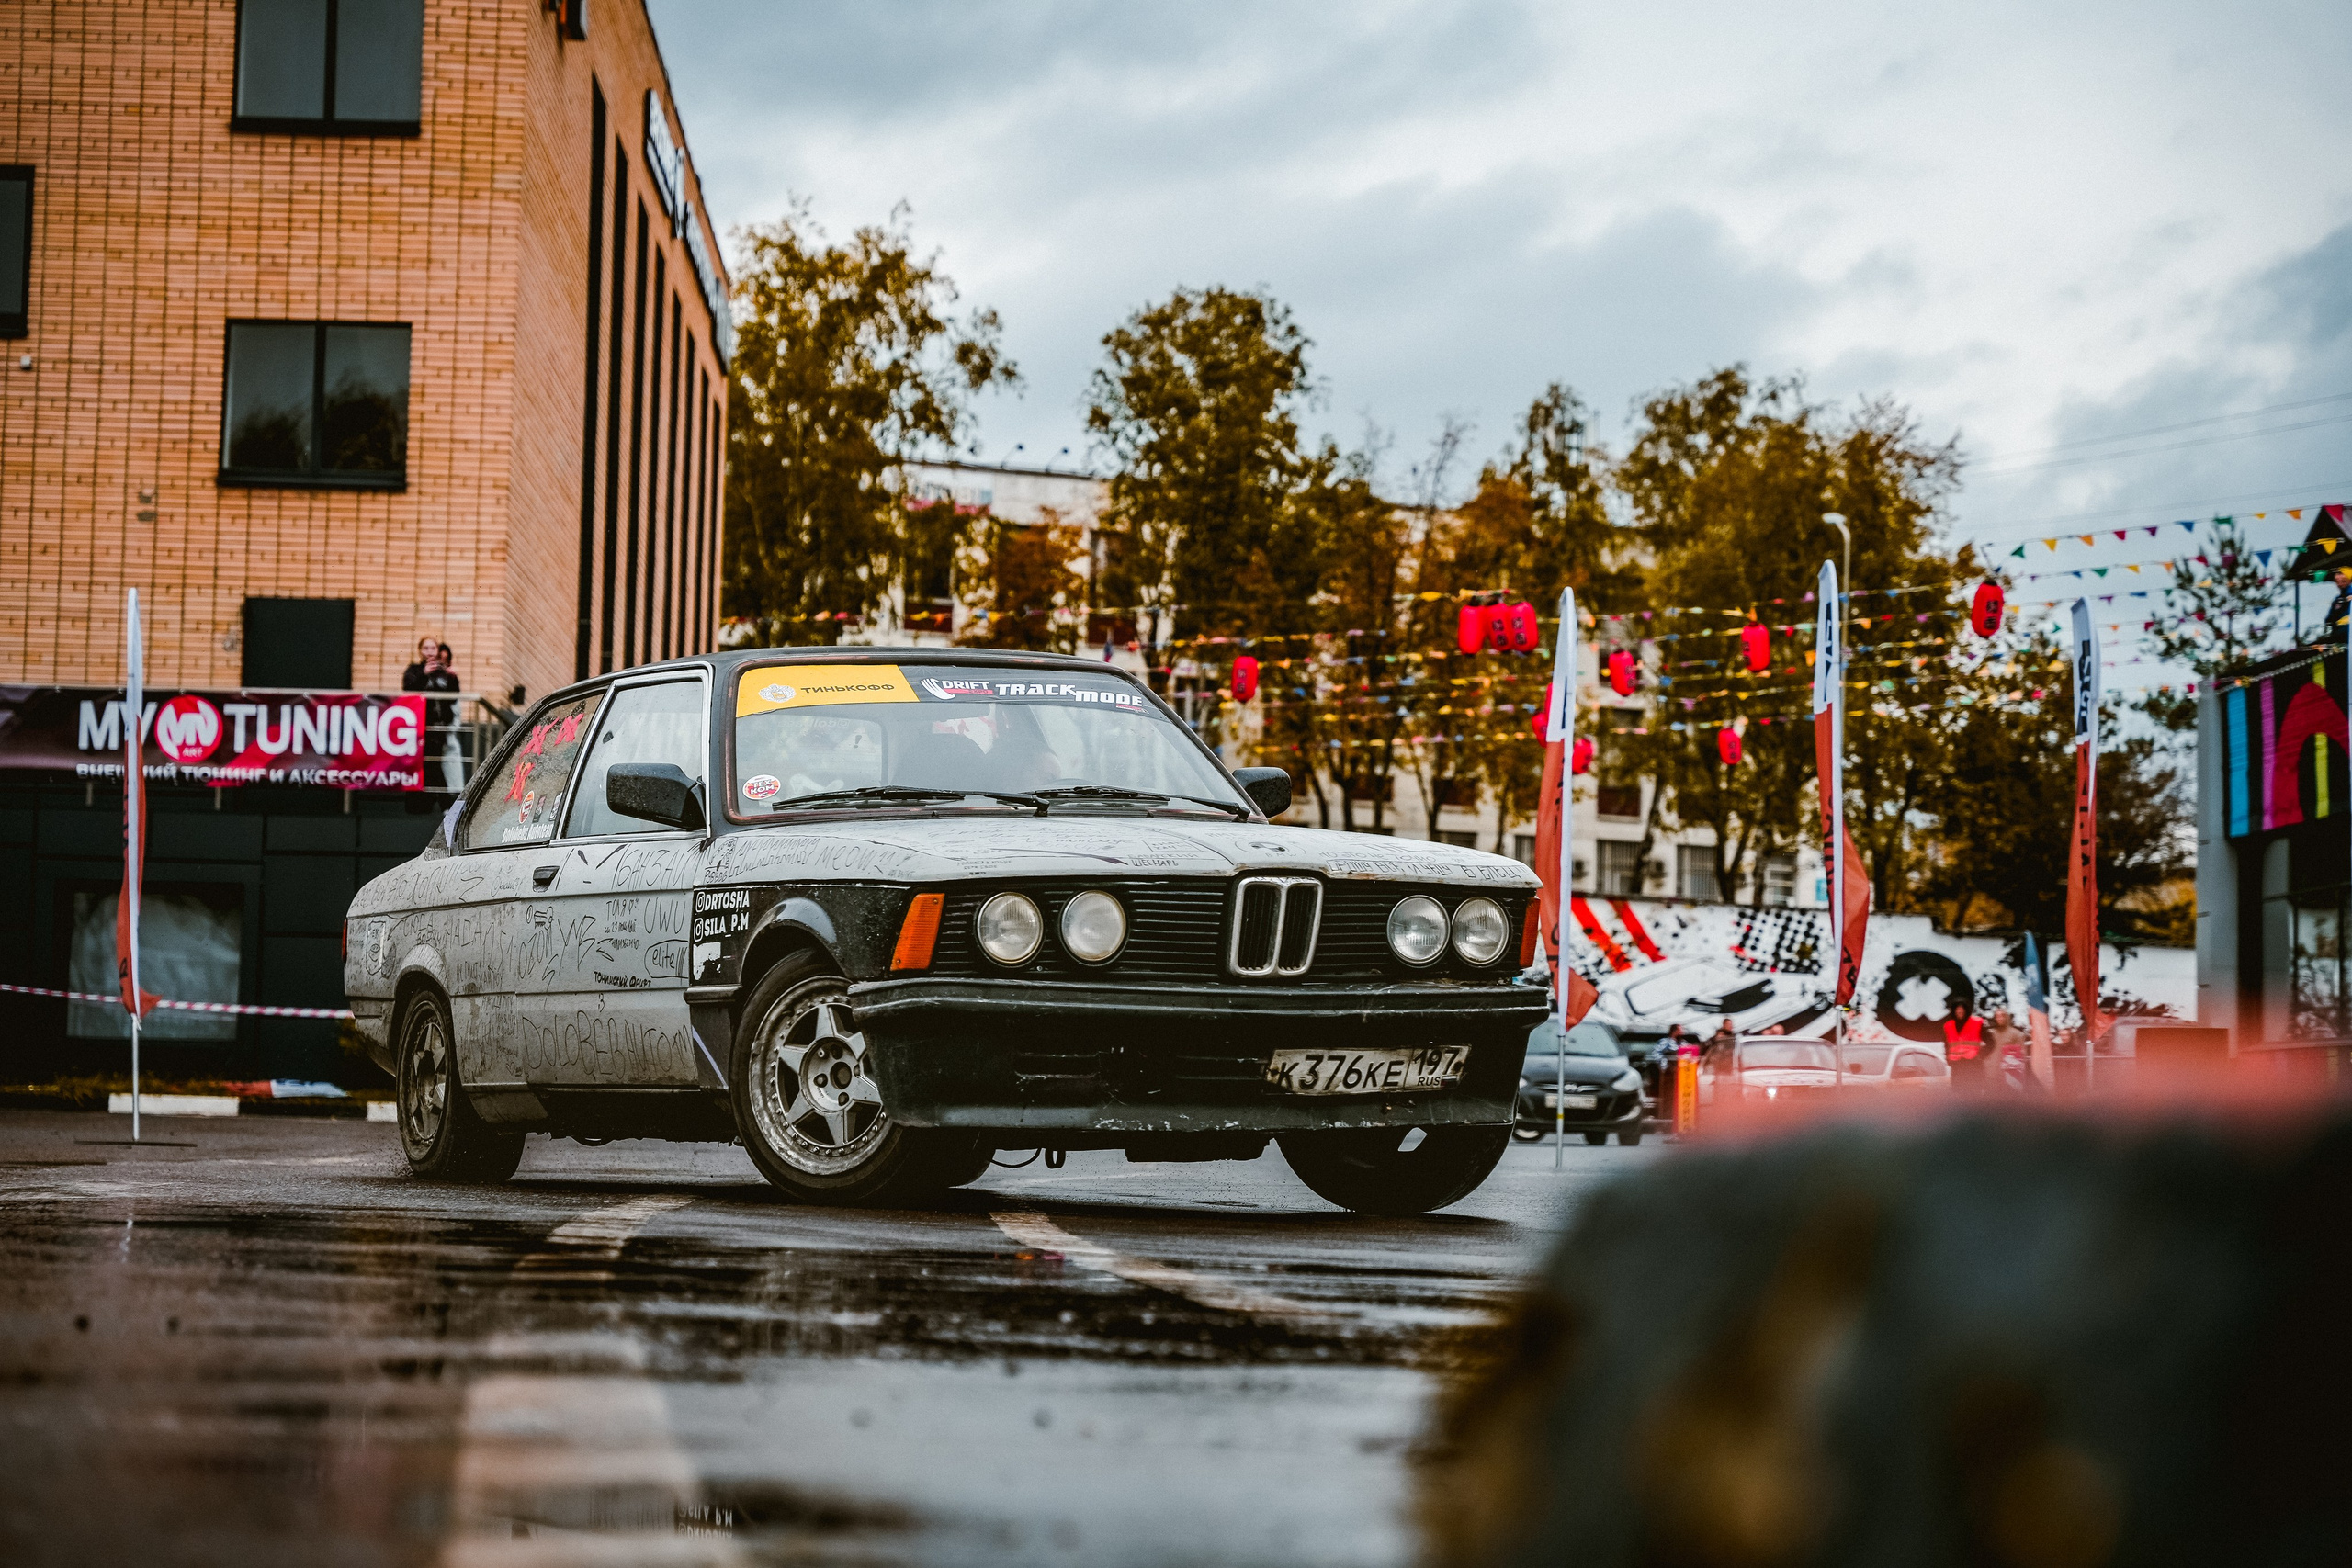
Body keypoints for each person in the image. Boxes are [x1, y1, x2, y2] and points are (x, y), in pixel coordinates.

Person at [402, 636, 463, 792]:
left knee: (433, 761)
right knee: (428, 762)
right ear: (420, 651)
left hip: (440, 725)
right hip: (421, 723)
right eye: (426, 648)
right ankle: (440, 803)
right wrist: (423, 674)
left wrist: (454, 678)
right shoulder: (414, 670)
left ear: (437, 651)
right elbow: (408, 689)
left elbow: (453, 697)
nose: (429, 652)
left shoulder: (442, 673)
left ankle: (440, 802)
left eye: (433, 648)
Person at [1943, 998, 1986, 1088]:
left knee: (1973, 1094)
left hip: (1973, 1065)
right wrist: (1948, 1058)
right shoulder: (1948, 1026)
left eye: (1962, 1009)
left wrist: (1981, 1056)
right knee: (1959, 1094)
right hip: (1957, 1067)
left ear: (1966, 1010)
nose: (1960, 1011)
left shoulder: (1977, 1022)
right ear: (1954, 1011)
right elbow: (1946, 1044)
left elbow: (1991, 1042)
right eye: (1957, 1009)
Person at [1988, 1008, 2033, 1092]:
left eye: (2002, 1016)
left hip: (2010, 1074)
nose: (2000, 1018)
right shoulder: (1990, 1033)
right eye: (1997, 1016)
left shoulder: (2016, 1034)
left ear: (2007, 1017)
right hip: (1992, 1073)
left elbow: (2021, 1054)